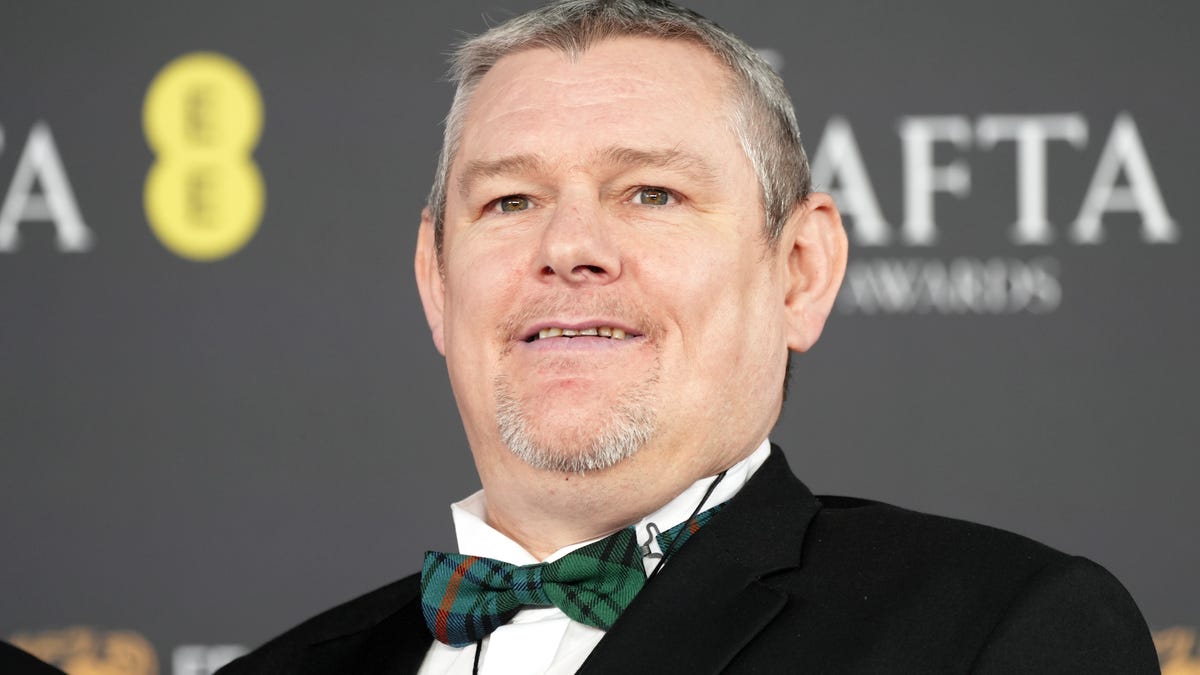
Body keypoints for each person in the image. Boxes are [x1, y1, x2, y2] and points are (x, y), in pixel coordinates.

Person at [217, 1, 1159, 672]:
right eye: (511, 199)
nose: (570, 248)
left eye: (652, 193)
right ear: (435, 278)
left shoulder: (998, 632)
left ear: (800, 270)